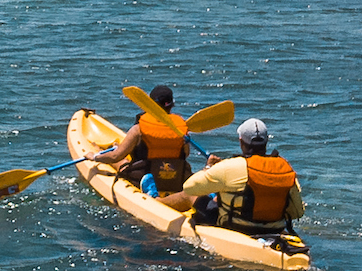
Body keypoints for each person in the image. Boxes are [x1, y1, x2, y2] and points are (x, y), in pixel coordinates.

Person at [161, 118, 304, 233]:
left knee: (189, 196)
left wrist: (209, 167)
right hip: (275, 229)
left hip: (235, 227)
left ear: (241, 142)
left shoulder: (231, 166)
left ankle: (156, 203)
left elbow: (189, 187)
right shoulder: (285, 168)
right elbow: (297, 212)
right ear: (266, 142)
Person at [91, 84, 192, 196]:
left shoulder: (138, 129)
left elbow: (115, 157)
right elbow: (185, 154)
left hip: (143, 176)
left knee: (122, 161)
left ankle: (100, 150)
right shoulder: (182, 130)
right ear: (171, 106)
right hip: (175, 178)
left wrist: (95, 157)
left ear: (149, 104)